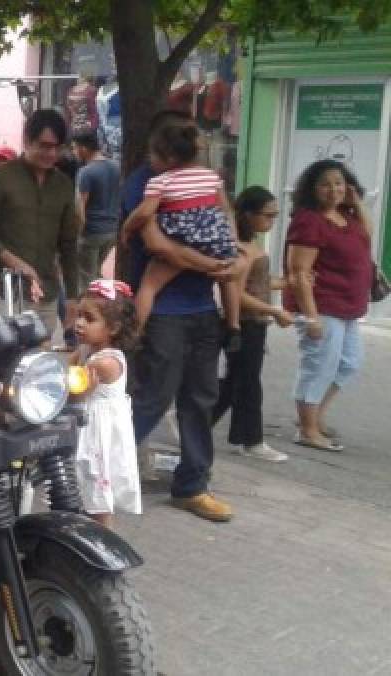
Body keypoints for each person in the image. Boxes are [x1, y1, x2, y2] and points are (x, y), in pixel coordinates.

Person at [123, 110, 237, 523]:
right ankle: (97, 474)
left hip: (202, 309)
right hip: (166, 312)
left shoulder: (202, 179)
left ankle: (192, 486)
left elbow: (227, 222)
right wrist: (213, 265)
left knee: (200, 401)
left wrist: (226, 266)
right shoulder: (144, 183)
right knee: (153, 398)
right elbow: (159, 246)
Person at [121, 123, 241, 346]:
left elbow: (145, 212)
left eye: (153, 155)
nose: (150, 161)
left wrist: (127, 227)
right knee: (228, 278)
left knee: (149, 285)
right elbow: (224, 208)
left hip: (182, 237)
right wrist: (229, 240)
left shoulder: (159, 181)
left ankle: (134, 333)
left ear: (168, 158)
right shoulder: (210, 176)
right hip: (215, 236)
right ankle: (234, 325)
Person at [284, 160, 373, 452]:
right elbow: (298, 272)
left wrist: (356, 203)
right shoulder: (309, 221)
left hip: (348, 307)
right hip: (322, 306)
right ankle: (307, 429)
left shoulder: (347, 215)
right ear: (312, 189)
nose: (333, 189)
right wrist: (311, 318)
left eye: (338, 182)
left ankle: (313, 418)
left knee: (348, 363)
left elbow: (367, 235)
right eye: (325, 184)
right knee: (318, 366)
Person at [0, 109, 80, 335]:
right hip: (5, 290)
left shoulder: (63, 185)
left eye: (56, 147)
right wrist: (14, 262)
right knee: (8, 360)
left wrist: (72, 296)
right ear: (26, 140)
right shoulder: (1, 178)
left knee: (42, 363)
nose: (50, 153)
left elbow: (69, 244)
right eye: (44, 145)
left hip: (47, 293)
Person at [212, 187, 293, 462]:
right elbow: (236, 292)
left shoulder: (251, 245)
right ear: (249, 215)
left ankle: (207, 422)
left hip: (253, 321)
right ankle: (252, 439)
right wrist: (273, 309)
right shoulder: (240, 248)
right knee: (247, 383)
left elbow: (257, 284)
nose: (272, 221)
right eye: (268, 215)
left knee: (238, 380)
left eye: (275, 215)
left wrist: (286, 283)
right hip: (245, 322)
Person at [73, 279, 143, 529]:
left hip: (98, 433)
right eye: (78, 315)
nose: (79, 323)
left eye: (89, 319)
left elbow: (71, 391)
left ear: (113, 328)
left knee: (96, 494)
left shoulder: (105, 362)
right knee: (83, 489)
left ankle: (105, 543)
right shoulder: (87, 350)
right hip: (88, 425)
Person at [73, 130, 121, 289]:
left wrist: (78, 234)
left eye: (75, 148)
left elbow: (81, 208)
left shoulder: (86, 172)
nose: (74, 152)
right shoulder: (116, 167)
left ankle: (90, 311)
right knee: (95, 273)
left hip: (92, 233)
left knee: (86, 280)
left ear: (83, 149)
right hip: (112, 231)